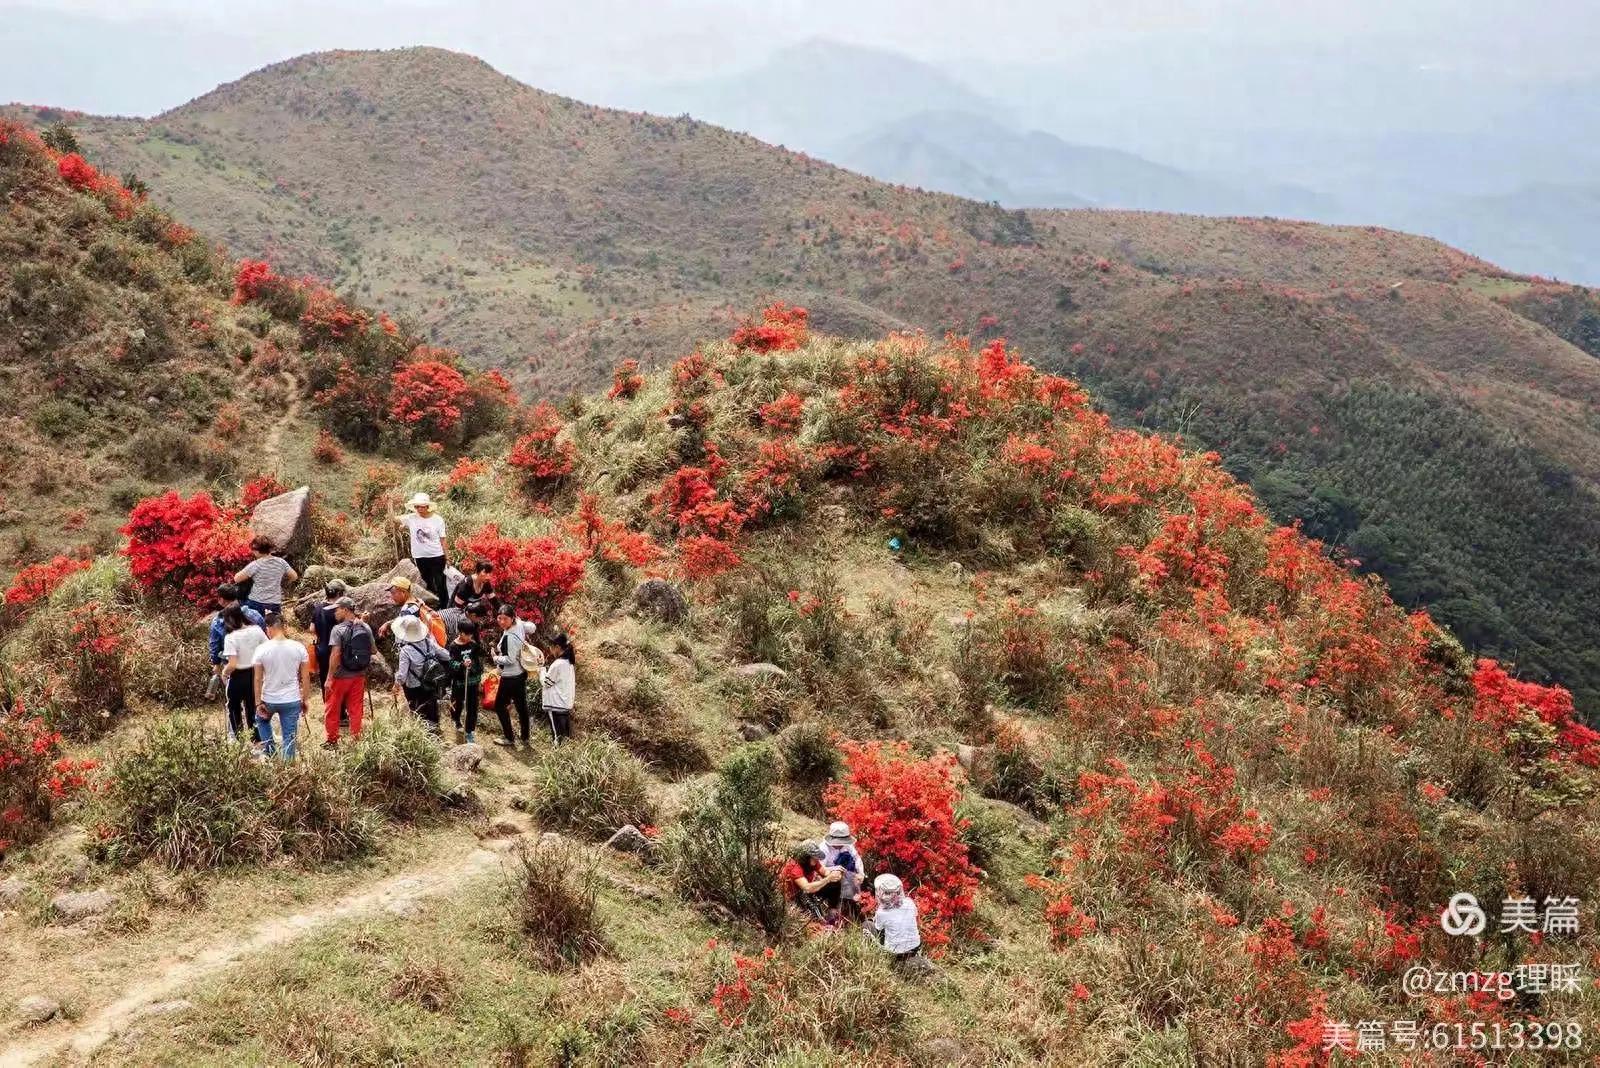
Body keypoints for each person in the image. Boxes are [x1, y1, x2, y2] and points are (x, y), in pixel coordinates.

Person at [251, 610, 310, 759]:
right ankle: (287, 766)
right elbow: (305, 676)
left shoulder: (261, 649)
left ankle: (270, 752)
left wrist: (258, 703)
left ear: (269, 628)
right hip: (291, 699)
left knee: (261, 720)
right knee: (289, 737)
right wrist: (305, 699)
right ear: (284, 627)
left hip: (269, 699)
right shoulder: (299, 647)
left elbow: (257, 679)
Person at [323, 597, 373, 747]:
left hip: (340, 676)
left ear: (345, 610)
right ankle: (355, 740)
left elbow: (335, 654)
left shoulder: (337, 629)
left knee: (332, 708)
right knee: (356, 708)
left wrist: (329, 678)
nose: (334, 613)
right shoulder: (365, 627)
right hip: (359, 675)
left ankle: (332, 740)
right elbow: (374, 650)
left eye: (336, 610)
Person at [392, 613, 452, 732]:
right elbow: (446, 655)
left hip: (414, 686)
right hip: (430, 681)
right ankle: (435, 730)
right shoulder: (429, 642)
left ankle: (422, 732)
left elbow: (402, 675)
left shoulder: (406, 651)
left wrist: (396, 685)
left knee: (417, 709)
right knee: (431, 706)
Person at [219, 606, 267, 743]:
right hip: (255, 673)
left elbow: (232, 664)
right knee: (252, 706)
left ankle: (239, 739)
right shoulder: (256, 630)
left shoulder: (230, 637)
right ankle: (256, 739)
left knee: (234, 708)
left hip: (237, 675)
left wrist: (224, 673)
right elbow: (267, 648)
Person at [491, 603, 532, 749]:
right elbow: (532, 627)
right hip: (520, 674)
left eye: (505, 619)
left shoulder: (509, 636)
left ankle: (509, 737)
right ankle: (525, 736)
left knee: (499, 706)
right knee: (522, 707)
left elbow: (510, 659)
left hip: (510, 677)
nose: (502, 622)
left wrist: (495, 658)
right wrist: (523, 623)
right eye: (499, 618)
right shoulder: (519, 624)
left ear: (512, 618)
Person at [208, 584, 263, 689]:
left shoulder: (218, 621)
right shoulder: (255, 614)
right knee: (256, 694)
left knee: (236, 695)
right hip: (256, 664)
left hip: (232, 666)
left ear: (221, 600)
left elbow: (214, 645)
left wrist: (216, 664)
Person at [401, 493, 449, 608]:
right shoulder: (411, 518)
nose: (419, 509)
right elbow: (396, 519)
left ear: (427, 506)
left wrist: (447, 557)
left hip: (436, 556)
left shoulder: (437, 520)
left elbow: (443, 539)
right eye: (417, 506)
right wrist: (401, 525)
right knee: (426, 581)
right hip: (420, 557)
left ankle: (444, 605)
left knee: (440, 582)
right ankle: (433, 604)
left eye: (422, 506)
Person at [864, 873, 922, 964]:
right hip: (915, 947)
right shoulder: (909, 902)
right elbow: (917, 921)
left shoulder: (882, 913)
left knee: (867, 924)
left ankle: (872, 955)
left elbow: (879, 929)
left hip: (895, 952)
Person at [780, 841, 843, 924]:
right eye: (814, 857)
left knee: (834, 884)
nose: (817, 859)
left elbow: (825, 872)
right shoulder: (794, 867)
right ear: (806, 857)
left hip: (807, 892)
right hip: (795, 896)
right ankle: (819, 919)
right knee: (813, 913)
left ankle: (832, 914)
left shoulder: (813, 862)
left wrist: (834, 875)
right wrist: (828, 879)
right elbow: (807, 888)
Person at [234, 537, 298, 619]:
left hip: (256, 603)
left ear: (257, 551)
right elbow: (294, 576)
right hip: (275, 603)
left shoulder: (256, 564)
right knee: (273, 625)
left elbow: (236, 579)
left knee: (240, 602)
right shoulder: (281, 562)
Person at [448, 617, 485, 743]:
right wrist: (461, 665)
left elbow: (479, 662)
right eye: (467, 634)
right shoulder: (453, 646)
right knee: (457, 703)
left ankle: (469, 731)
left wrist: (474, 667)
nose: (470, 637)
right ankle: (456, 719)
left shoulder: (473, 645)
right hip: (459, 681)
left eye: (471, 634)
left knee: (472, 707)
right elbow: (451, 663)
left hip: (473, 681)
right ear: (460, 632)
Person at [823, 821, 868, 920]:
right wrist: (833, 869)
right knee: (837, 882)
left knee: (862, 881)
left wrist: (861, 873)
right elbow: (819, 869)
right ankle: (834, 911)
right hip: (831, 879)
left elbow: (857, 858)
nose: (840, 845)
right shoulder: (823, 849)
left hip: (848, 875)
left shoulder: (847, 845)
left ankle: (856, 911)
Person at [309, 579, 347, 689]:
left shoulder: (318, 608)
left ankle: (326, 699)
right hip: (339, 651)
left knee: (325, 681)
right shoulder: (340, 610)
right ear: (339, 593)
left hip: (322, 650)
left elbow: (312, 628)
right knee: (339, 682)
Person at [540, 632, 576, 743]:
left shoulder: (558, 664)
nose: (550, 649)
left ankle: (557, 753)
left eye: (551, 647)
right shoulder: (569, 663)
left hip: (556, 705)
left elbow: (546, 682)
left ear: (557, 647)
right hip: (564, 705)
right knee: (564, 738)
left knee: (557, 738)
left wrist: (541, 670)